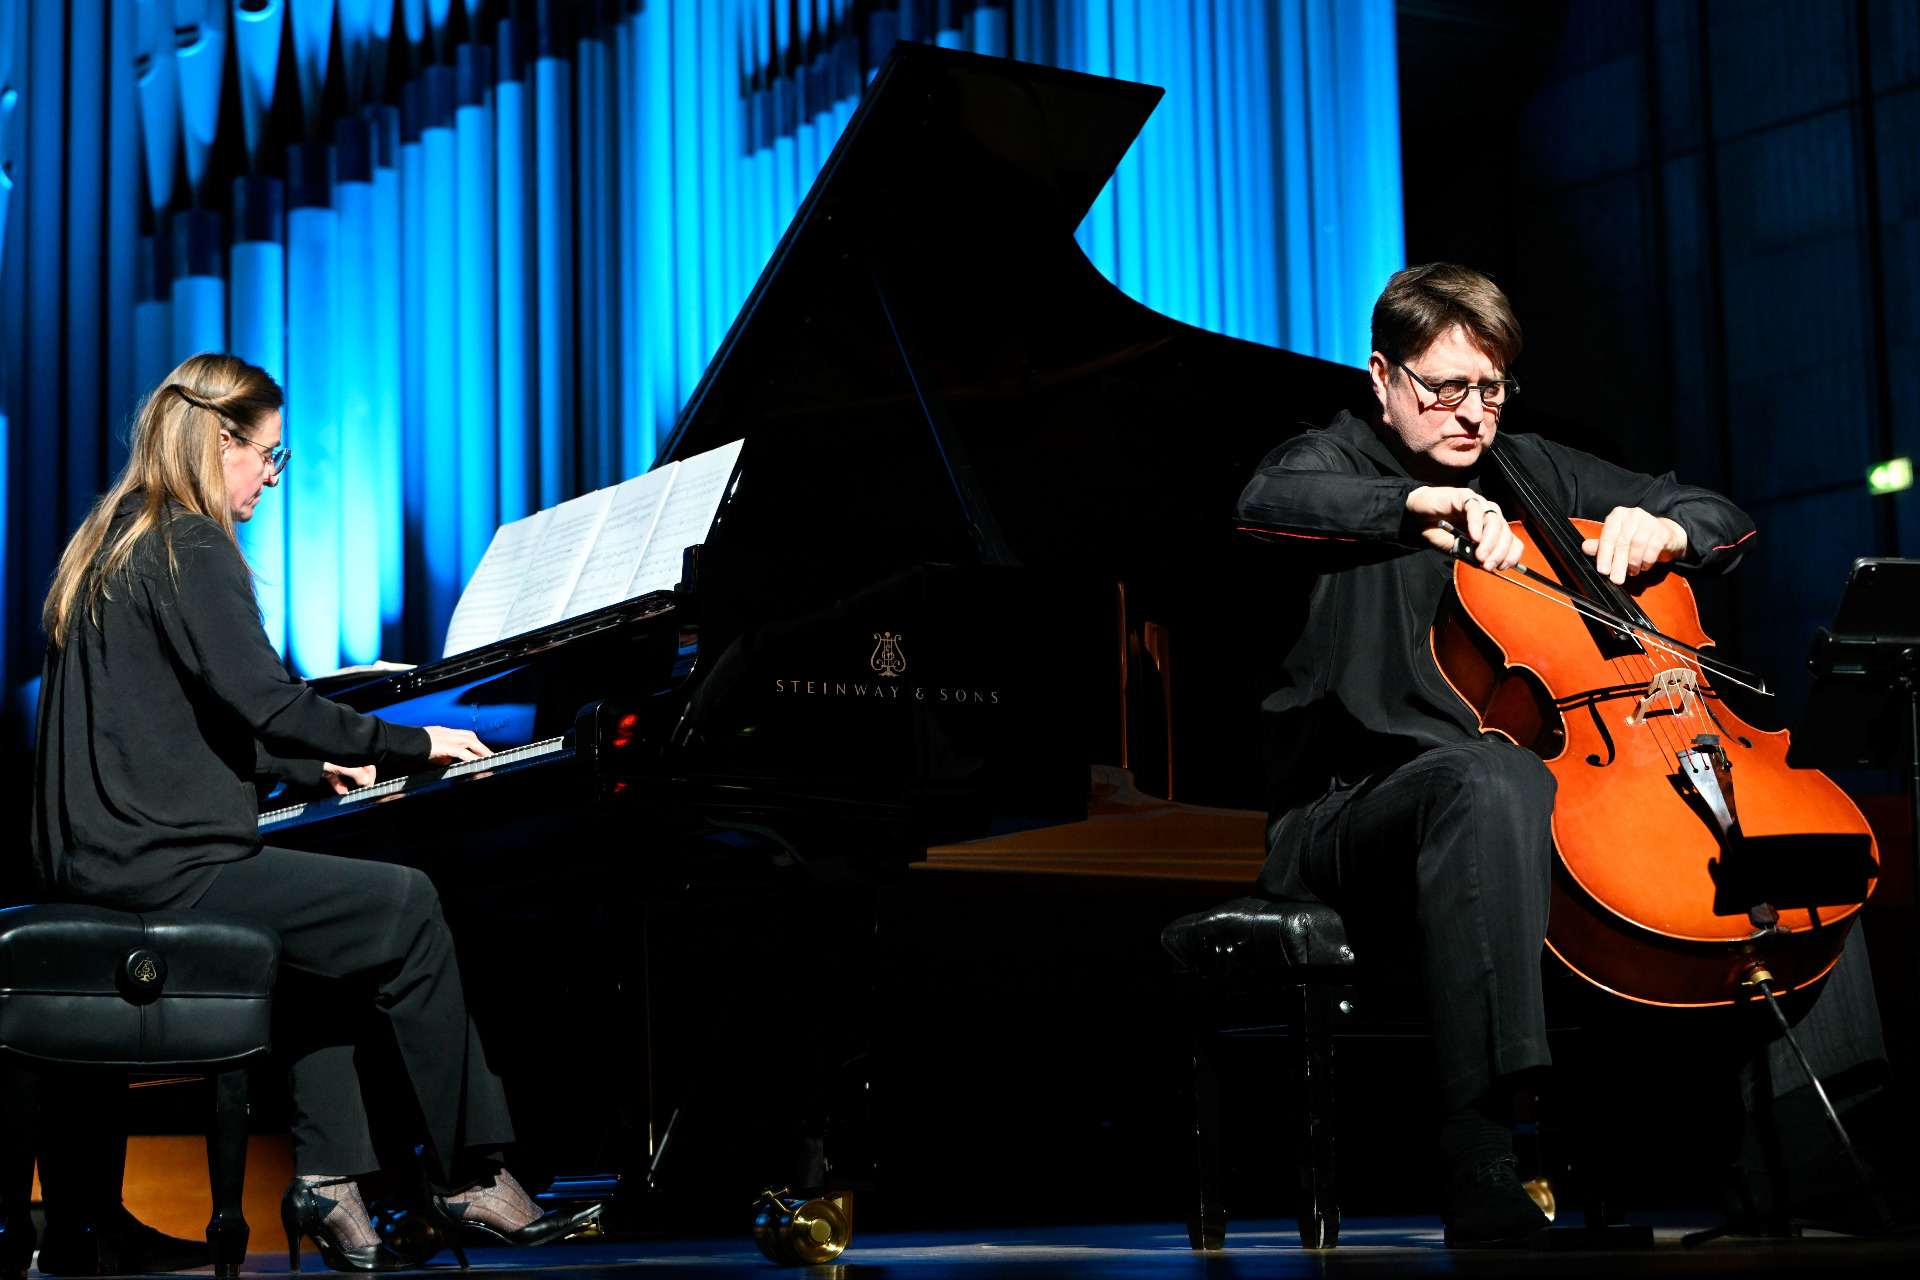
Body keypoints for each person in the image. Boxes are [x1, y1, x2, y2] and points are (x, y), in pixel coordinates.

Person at [1234, 264, 1890, 1245]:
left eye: (1489, 389)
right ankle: (1487, 1154)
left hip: (1520, 810)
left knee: (1788, 836)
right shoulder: (1333, 457)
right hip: (1351, 812)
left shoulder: (1532, 469)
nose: (1469, 413)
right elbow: (1266, 497)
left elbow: (1722, 515)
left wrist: (1664, 524)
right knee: (1490, 774)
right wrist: (1419, 507)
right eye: (1442, 387)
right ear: (1383, 378)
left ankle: (1813, 1163)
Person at [31, 353, 602, 1272]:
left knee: (325, 937)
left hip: (98, 865)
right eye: (269, 455)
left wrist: (306, 758)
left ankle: (330, 1182)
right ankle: (469, 1178)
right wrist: (412, 743)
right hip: (167, 868)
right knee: (408, 909)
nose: (270, 477)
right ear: (222, 439)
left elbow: (166, 722)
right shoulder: (192, 543)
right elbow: (266, 699)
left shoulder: (111, 542)